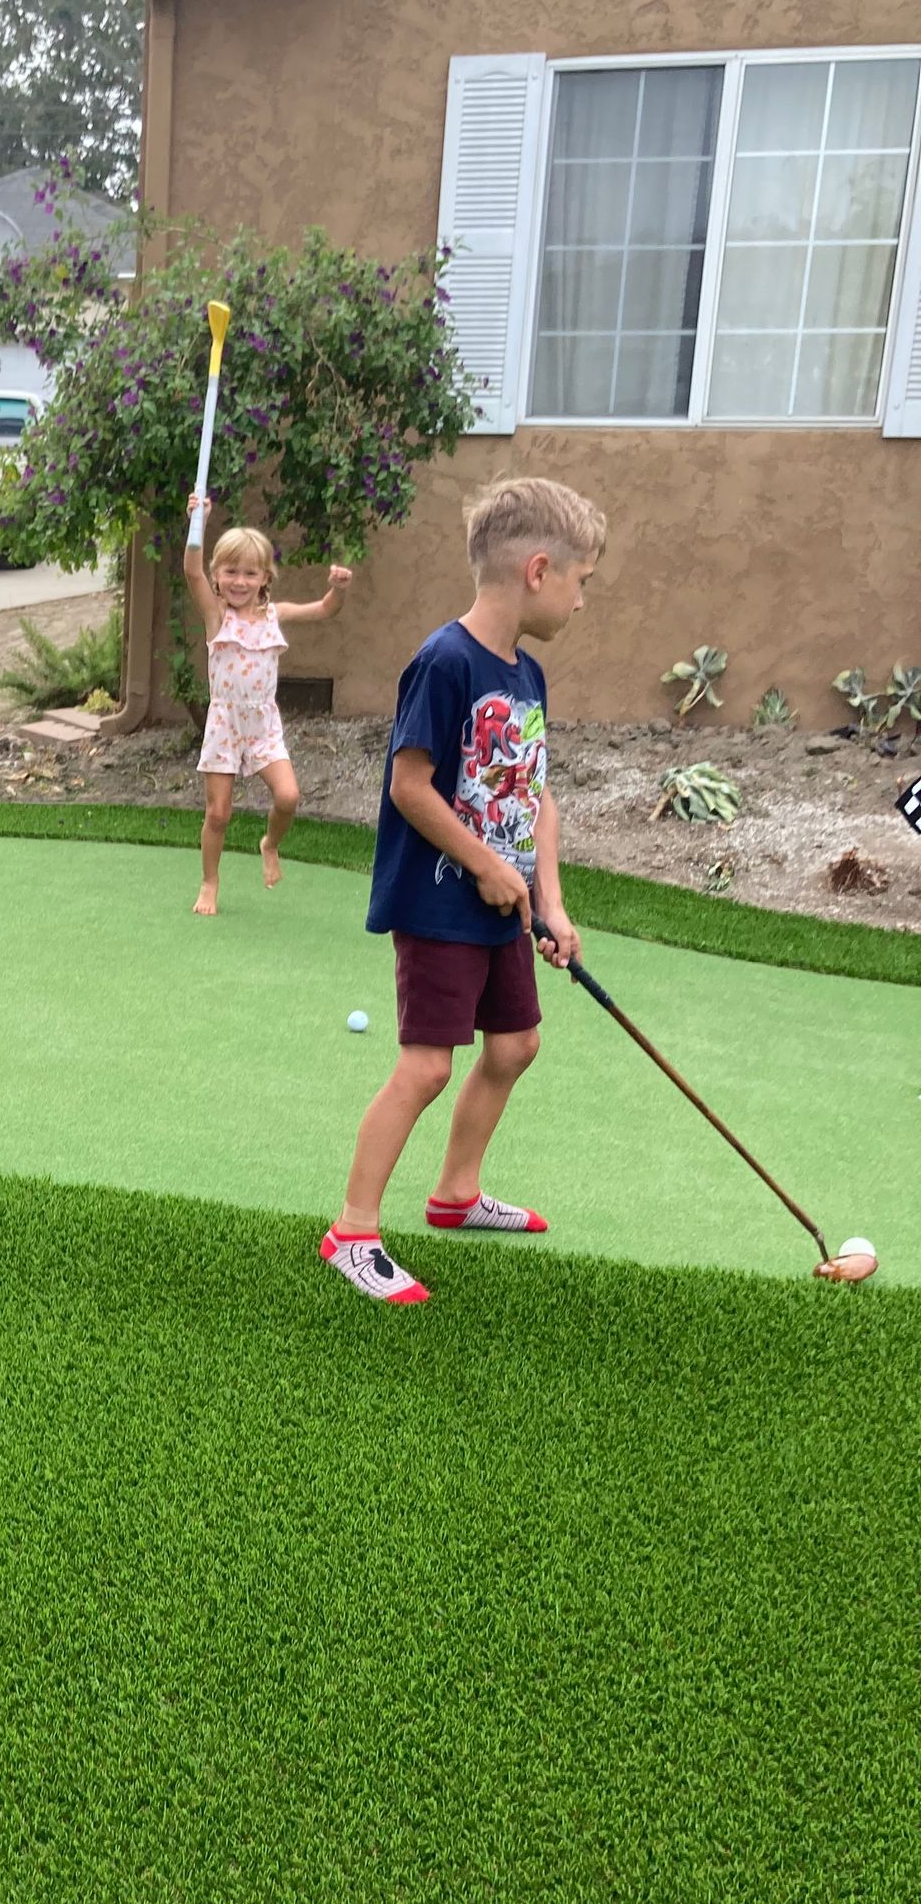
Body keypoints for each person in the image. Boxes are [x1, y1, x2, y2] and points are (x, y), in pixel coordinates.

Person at [323, 476, 607, 1304]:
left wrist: (549, 900)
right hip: (443, 898)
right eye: (581, 583)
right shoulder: (445, 660)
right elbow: (410, 785)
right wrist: (485, 862)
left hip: (505, 905)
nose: (581, 603)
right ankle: (353, 1230)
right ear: (539, 570)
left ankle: (454, 1193)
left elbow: (538, 796)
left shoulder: (528, 677)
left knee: (517, 1045)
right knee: (426, 1066)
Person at [185, 496, 352, 916]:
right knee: (219, 813)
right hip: (225, 723)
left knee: (289, 796)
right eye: (230, 571)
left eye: (249, 573)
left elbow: (326, 609)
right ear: (217, 577)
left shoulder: (275, 615)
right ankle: (210, 881)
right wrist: (197, 523)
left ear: (264, 578)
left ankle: (270, 844)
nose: (239, 581)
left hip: (262, 723)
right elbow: (190, 570)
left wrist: (339, 587)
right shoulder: (216, 617)